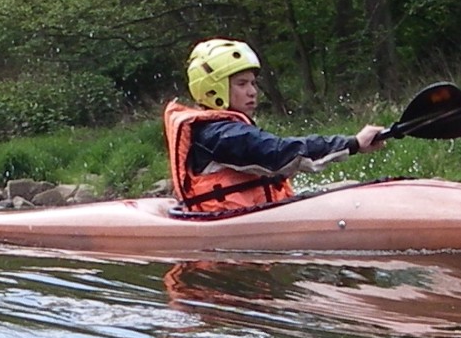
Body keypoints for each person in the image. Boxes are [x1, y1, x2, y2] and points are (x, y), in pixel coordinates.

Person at [163, 38, 386, 216]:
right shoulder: (219, 135)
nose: (252, 92)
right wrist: (353, 143)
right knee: (351, 199)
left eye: (253, 83)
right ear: (213, 89)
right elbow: (279, 153)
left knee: (352, 187)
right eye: (242, 84)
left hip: (254, 215)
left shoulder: (220, 129)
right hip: (235, 223)